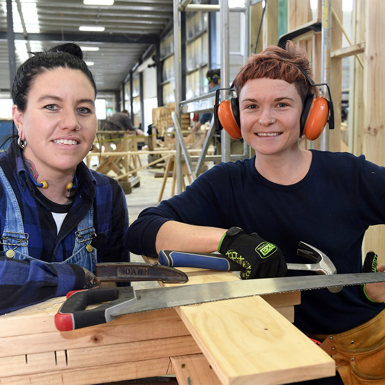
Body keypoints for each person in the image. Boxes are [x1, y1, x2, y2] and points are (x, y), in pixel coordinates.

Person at [127, 41, 385, 384]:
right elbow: (143, 231)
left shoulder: (350, 176)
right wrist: (227, 240)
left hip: (362, 350)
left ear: (310, 113)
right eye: (251, 106)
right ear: (233, 117)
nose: (266, 119)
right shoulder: (224, 184)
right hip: (271, 352)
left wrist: (372, 288)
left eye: (282, 104)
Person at [0, 43, 130, 315]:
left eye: (83, 109)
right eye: (51, 106)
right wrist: (76, 277)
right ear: (19, 118)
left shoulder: (107, 194)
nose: (71, 122)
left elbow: (117, 293)